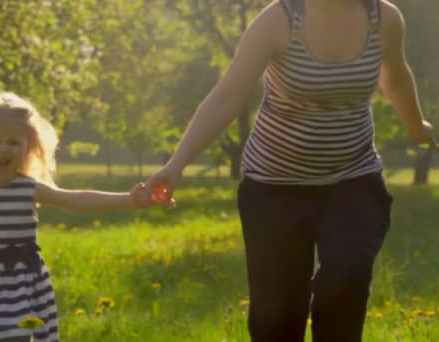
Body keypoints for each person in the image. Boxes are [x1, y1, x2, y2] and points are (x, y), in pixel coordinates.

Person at [146, 0, 436, 341]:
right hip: (274, 187)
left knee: (348, 277)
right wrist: (177, 163)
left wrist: (418, 128)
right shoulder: (279, 20)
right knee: (276, 317)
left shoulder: (383, 18)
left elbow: (396, 78)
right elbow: (228, 96)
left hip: (354, 177)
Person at [0, 92, 161, 342]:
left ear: (29, 148)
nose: (3, 148)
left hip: (17, 288)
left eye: (13, 142)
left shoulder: (27, 189)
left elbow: (77, 199)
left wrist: (128, 199)